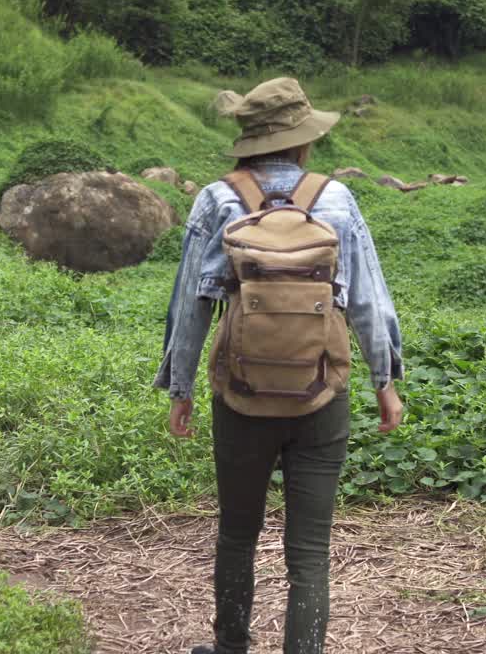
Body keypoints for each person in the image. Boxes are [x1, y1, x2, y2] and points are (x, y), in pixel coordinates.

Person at [154, 77, 405, 654]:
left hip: (240, 396)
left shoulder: (218, 199)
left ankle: (230, 648)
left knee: (238, 535)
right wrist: (384, 381)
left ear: (249, 141)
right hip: (322, 396)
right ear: (302, 142)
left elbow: (191, 302)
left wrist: (181, 385)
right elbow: (367, 298)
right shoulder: (337, 199)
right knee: (309, 551)